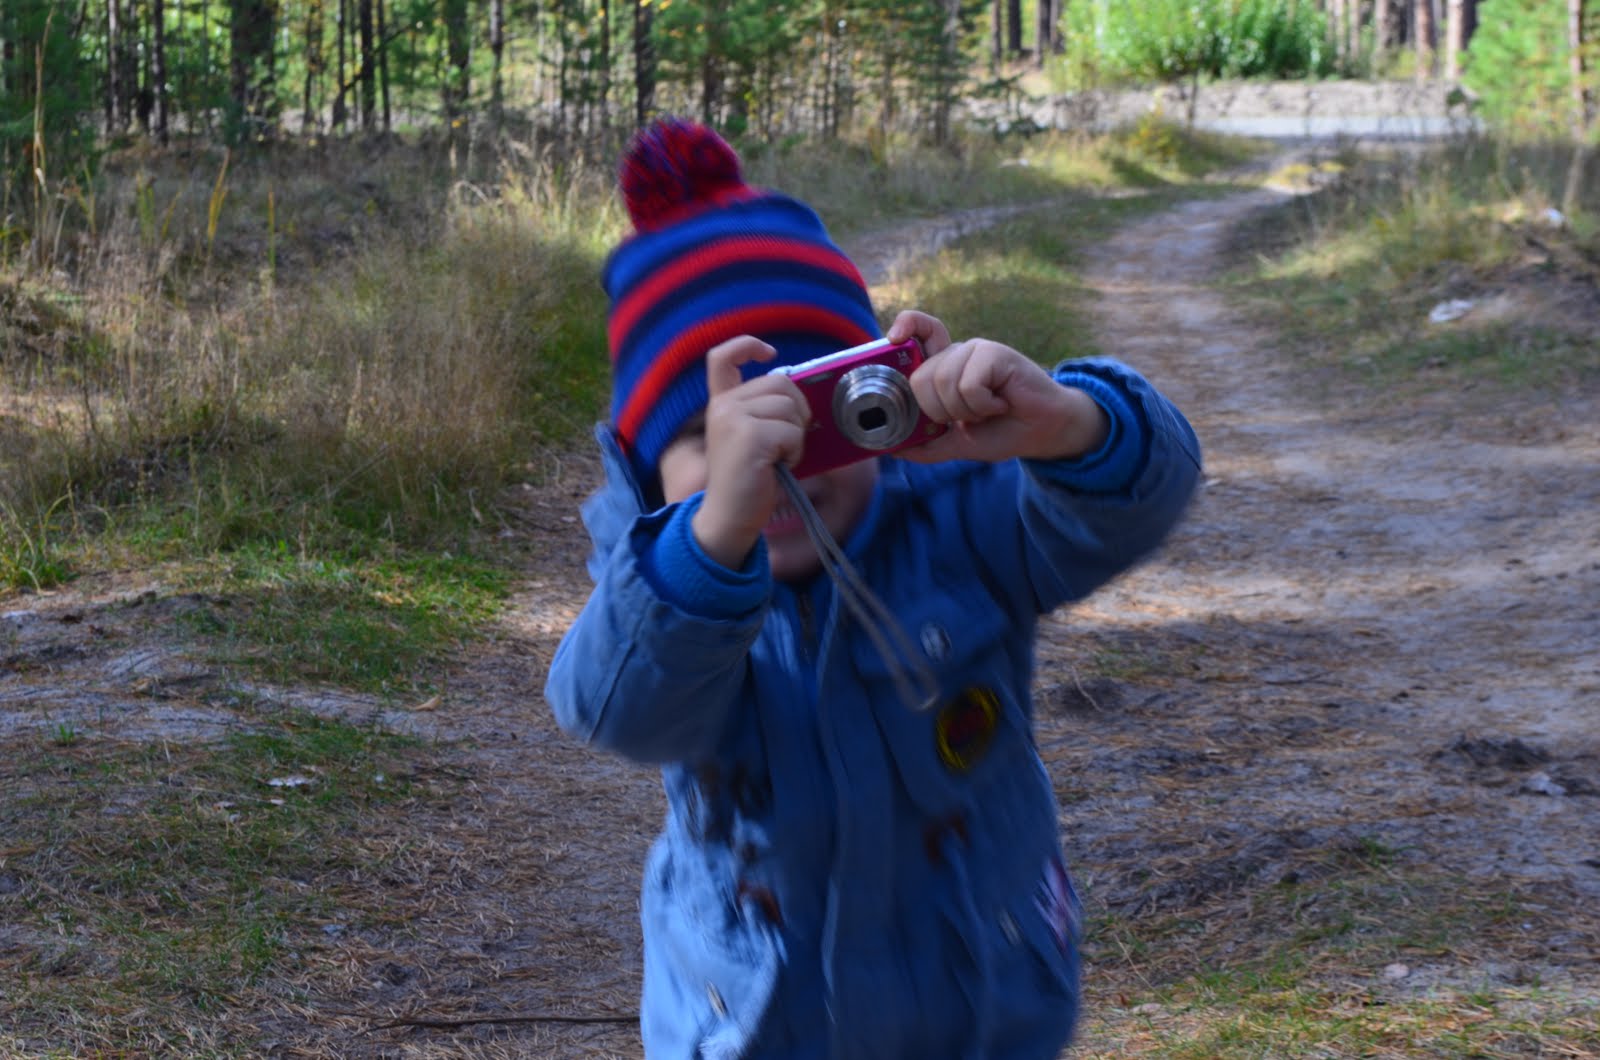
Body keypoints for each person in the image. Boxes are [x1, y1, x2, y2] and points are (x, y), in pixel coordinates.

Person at [545, 117, 1202, 1060]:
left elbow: (1135, 506)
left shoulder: (953, 517)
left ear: (873, 404)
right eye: (721, 441)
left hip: (984, 1008)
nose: (775, 468)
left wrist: (1068, 425)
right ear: (650, 473)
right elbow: (616, 711)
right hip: (753, 1028)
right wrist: (715, 533)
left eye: (810, 423)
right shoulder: (658, 579)